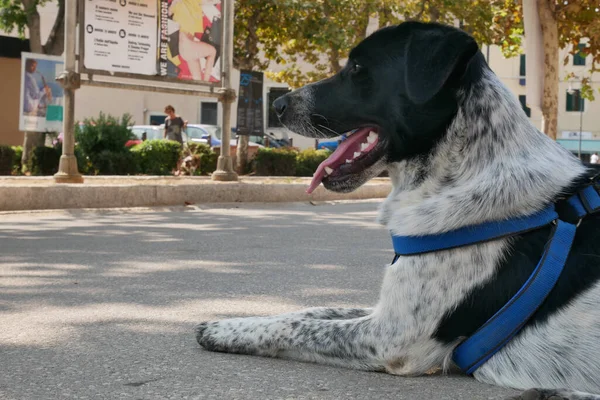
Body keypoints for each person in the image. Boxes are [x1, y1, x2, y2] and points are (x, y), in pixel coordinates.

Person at [168, 0, 217, 82]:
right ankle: (206, 82)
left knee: (198, 81)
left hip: (186, 47)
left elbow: (169, 12)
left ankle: (204, 86)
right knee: (213, 52)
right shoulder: (187, 3)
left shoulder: (179, 4)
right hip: (187, 46)